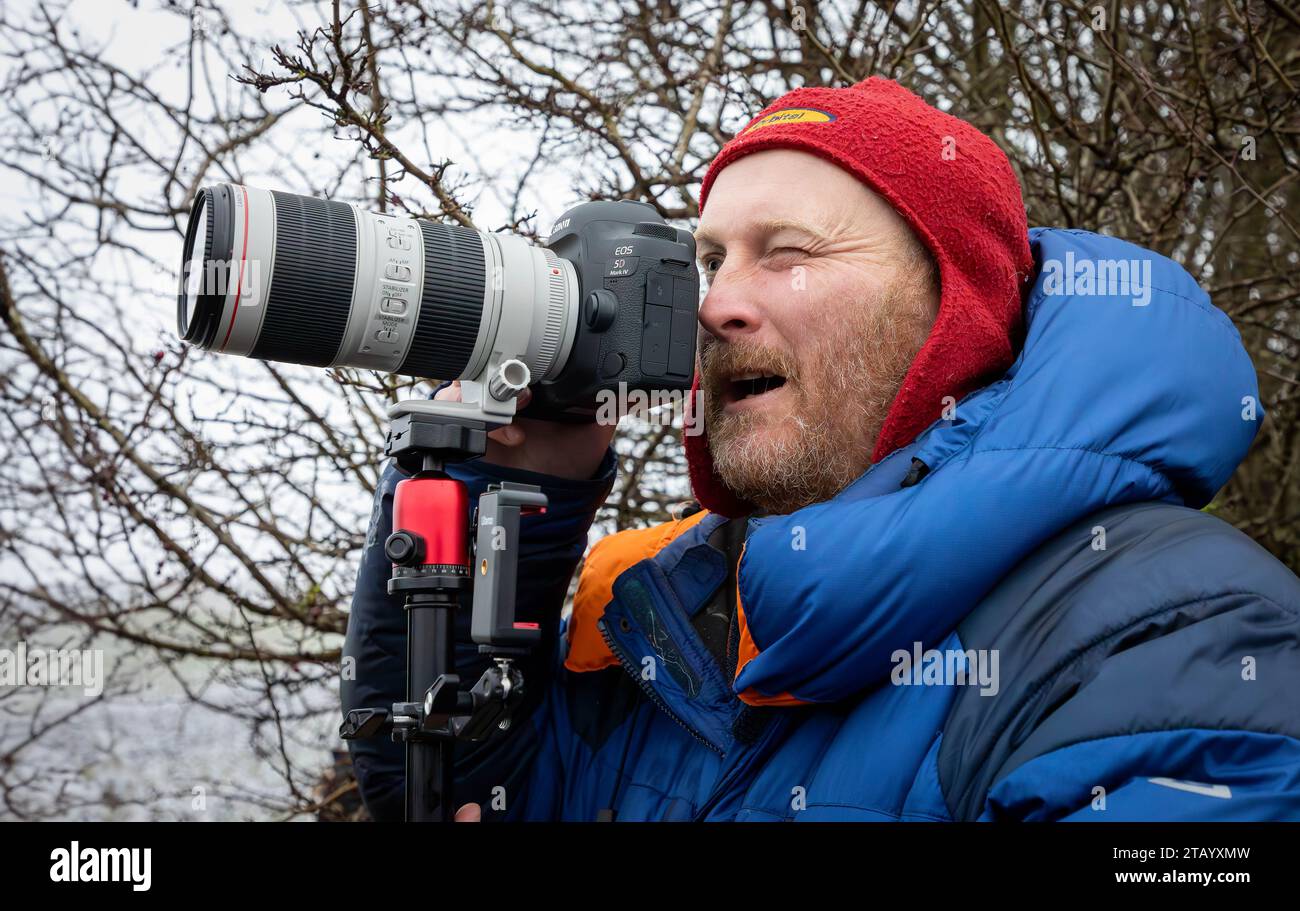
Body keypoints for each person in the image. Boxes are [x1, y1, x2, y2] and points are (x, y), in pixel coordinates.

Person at [341, 77, 1300, 822]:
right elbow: (460, 783)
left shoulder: (1179, 634)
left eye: (789, 251)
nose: (714, 304)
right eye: (709, 260)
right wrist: (516, 480)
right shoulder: (662, 616)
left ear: (952, 321)